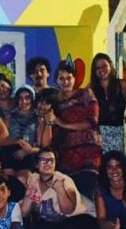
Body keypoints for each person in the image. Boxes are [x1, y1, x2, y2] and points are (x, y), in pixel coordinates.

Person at [19, 147, 98, 229]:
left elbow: (68, 210)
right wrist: (29, 194)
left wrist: (60, 190)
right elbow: (24, 213)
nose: (48, 164)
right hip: (58, 221)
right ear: (36, 163)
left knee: (70, 227)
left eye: (51, 160)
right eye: (43, 160)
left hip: (82, 218)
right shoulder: (34, 179)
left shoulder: (64, 180)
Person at [43, 60, 101, 200]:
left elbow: (92, 122)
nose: (65, 82)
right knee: (71, 199)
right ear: (56, 81)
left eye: (69, 78)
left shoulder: (86, 94)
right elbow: (51, 127)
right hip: (66, 157)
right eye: (61, 79)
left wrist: (62, 124)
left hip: (89, 155)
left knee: (88, 197)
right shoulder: (55, 101)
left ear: (75, 79)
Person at [89, 53, 126, 153]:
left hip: (118, 133)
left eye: (104, 66)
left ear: (110, 65)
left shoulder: (124, 85)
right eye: (97, 68)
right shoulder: (90, 89)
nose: (101, 70)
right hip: (98, 135)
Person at [0, 86, 47, 183]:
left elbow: (40, 146)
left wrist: (27, 150)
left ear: (32, 99)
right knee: (9, 182)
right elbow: (1, 139)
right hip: (8, 152)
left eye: (27, 98)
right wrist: (18, 141)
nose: (24, 101)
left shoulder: (39, 118)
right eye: (20, 98)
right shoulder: (9, 116)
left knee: (24, 180)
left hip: (28, 154)